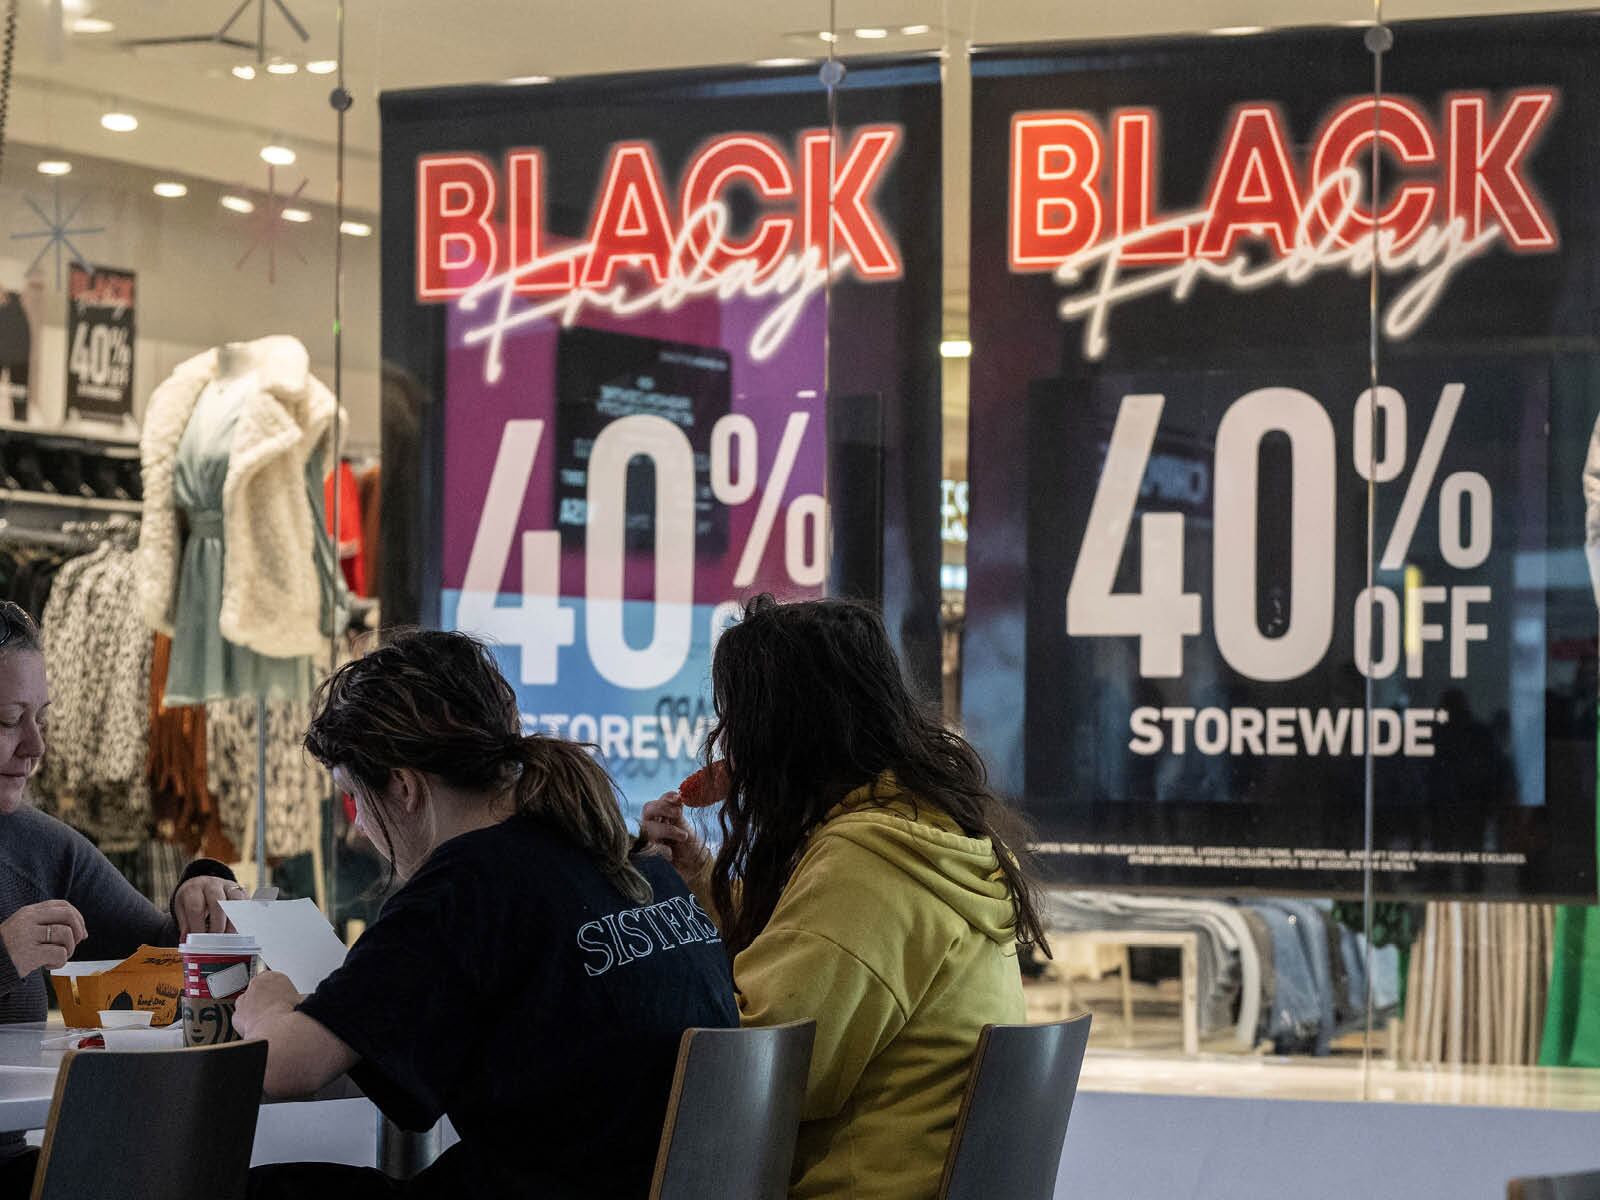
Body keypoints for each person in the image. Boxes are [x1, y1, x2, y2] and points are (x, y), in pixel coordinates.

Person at [238, 630, 737, 1200]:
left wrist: (268, 1003)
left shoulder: (463, 886)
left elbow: (286, 1065)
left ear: (403, 787)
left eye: (356, 798)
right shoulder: (622, 854)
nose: (358, 827)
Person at [640, 595, 1051, 1200]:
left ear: (786, 733)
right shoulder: (922, 831)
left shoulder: (868, 865)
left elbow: (754, 1072)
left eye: (740, 723)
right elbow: (811, 952)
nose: (730, 746)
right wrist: (700, 876)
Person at [0, 600, 242, 1198]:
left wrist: (202, 890)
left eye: (42, 719)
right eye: (8, 720)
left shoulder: (43, 849)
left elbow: (164, 952)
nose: (35, 747)